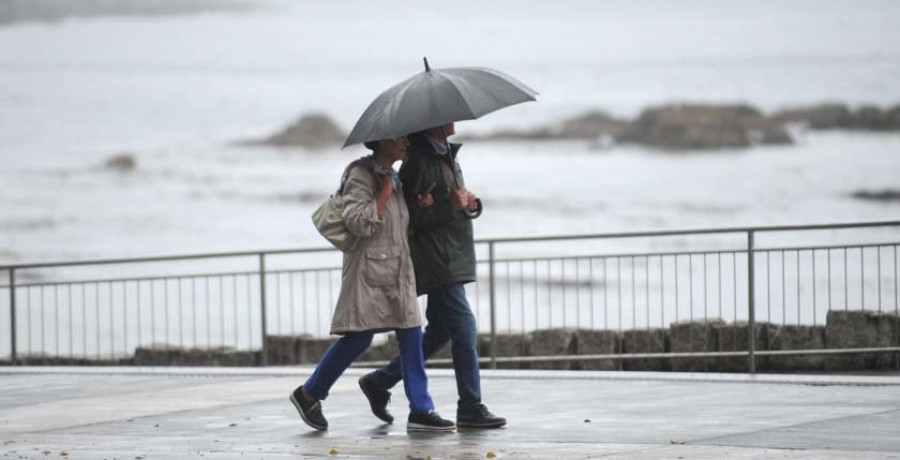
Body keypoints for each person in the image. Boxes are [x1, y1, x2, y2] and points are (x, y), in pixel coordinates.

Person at [290, 136, 455, 432]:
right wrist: (384, 192)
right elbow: (357, 221)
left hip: (398, 270)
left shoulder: (393, 176)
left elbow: (395, 223)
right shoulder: (361, 175)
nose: (406, 142)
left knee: (411, 335)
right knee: (359, 338)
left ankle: (421, 409)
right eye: (400, 138)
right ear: (382, 141)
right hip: (370, 271)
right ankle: (308, 394)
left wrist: (419, 205)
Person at [359, 123, 507, 429]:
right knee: (465, 328)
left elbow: (446, 203)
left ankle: (379, 381)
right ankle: (470, 406)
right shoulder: (418, 162)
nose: (454, 120)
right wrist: (449, 207)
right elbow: (408, 219)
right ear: (434, 121)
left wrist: (470, 205)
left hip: (453, 255)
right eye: (447, 116)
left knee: (440, 331)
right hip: (438, 261)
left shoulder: (447, 157)